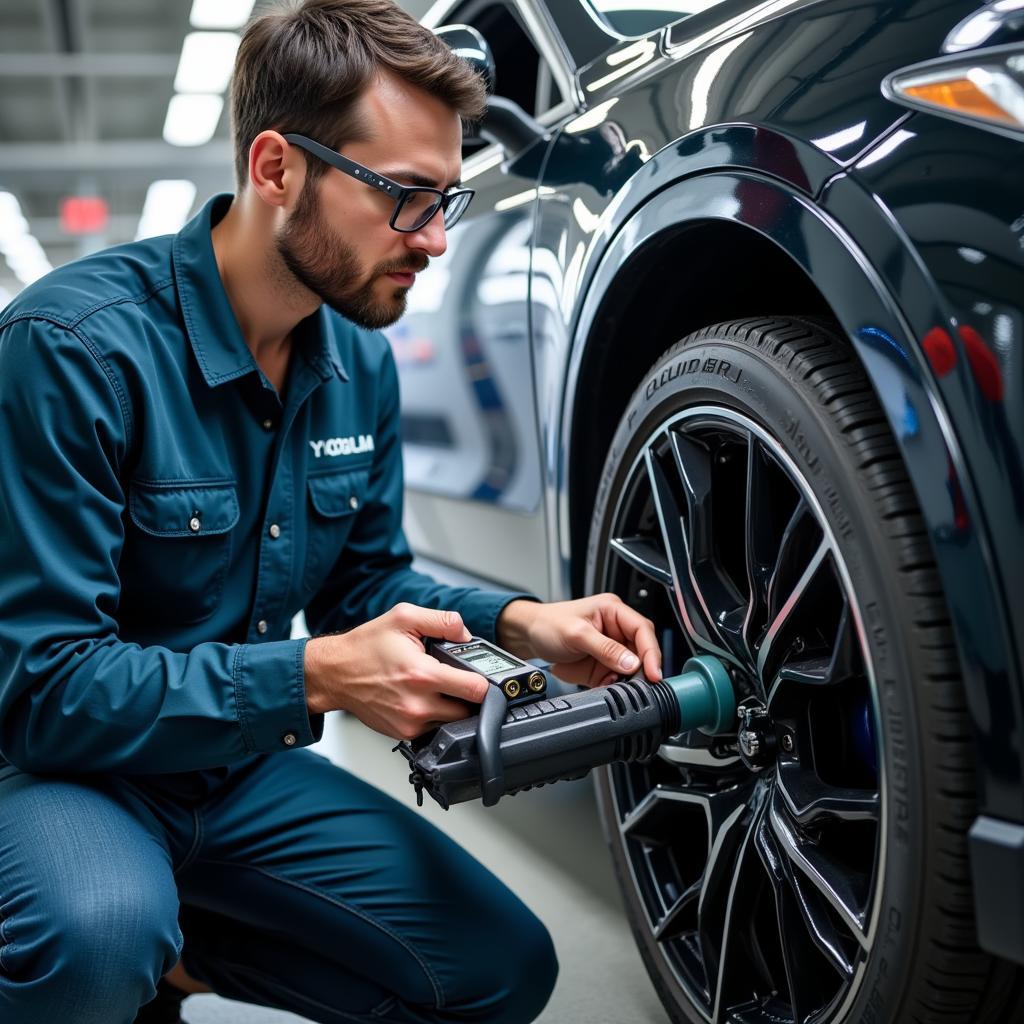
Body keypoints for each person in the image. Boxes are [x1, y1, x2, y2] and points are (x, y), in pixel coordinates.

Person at [0, 1, 663, 1022]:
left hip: (225, 776)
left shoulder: (357, 359)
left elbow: (367, 581)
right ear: (276, 169)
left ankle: (184, 940)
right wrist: (315, 675)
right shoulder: (70, 350)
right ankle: (119, 936)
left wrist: (521, 622)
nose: (436, 238)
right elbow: (43, 688)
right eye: (406, 196)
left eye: (446, 198)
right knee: (92, 935)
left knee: (497, 966)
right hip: (60, 774)